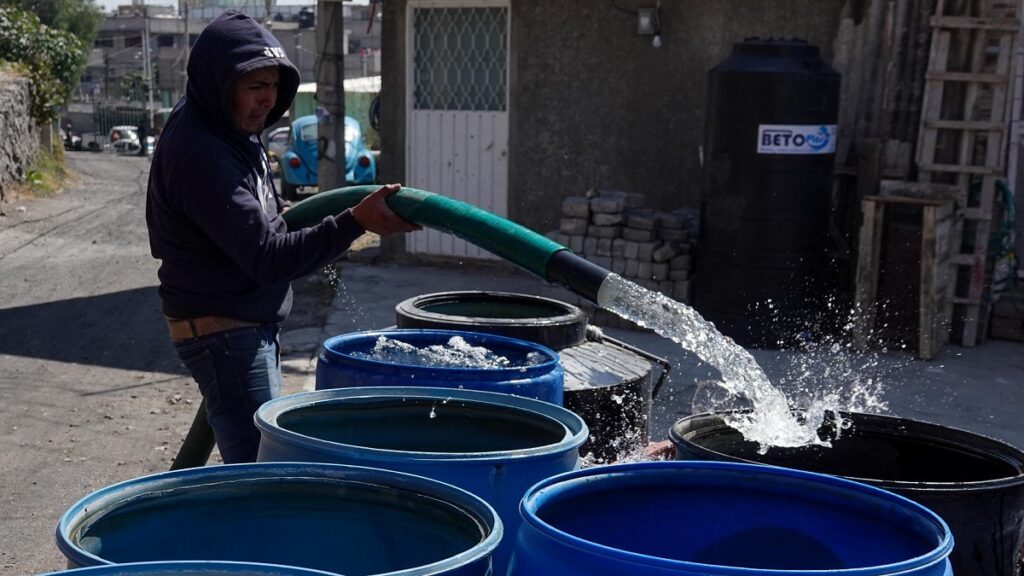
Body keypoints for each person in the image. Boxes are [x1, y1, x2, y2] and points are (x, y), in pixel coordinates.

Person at [146, 10, 419, 463]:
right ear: (220, 83)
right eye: (255, 86)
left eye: (274, 86)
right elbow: (268, 258)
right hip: (226, 333)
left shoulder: (226, 124)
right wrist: (355, 221)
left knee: (261, 466)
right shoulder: (202, 154)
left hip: (240, 324)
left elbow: (253, 221)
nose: (267, 100)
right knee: (264, 473)